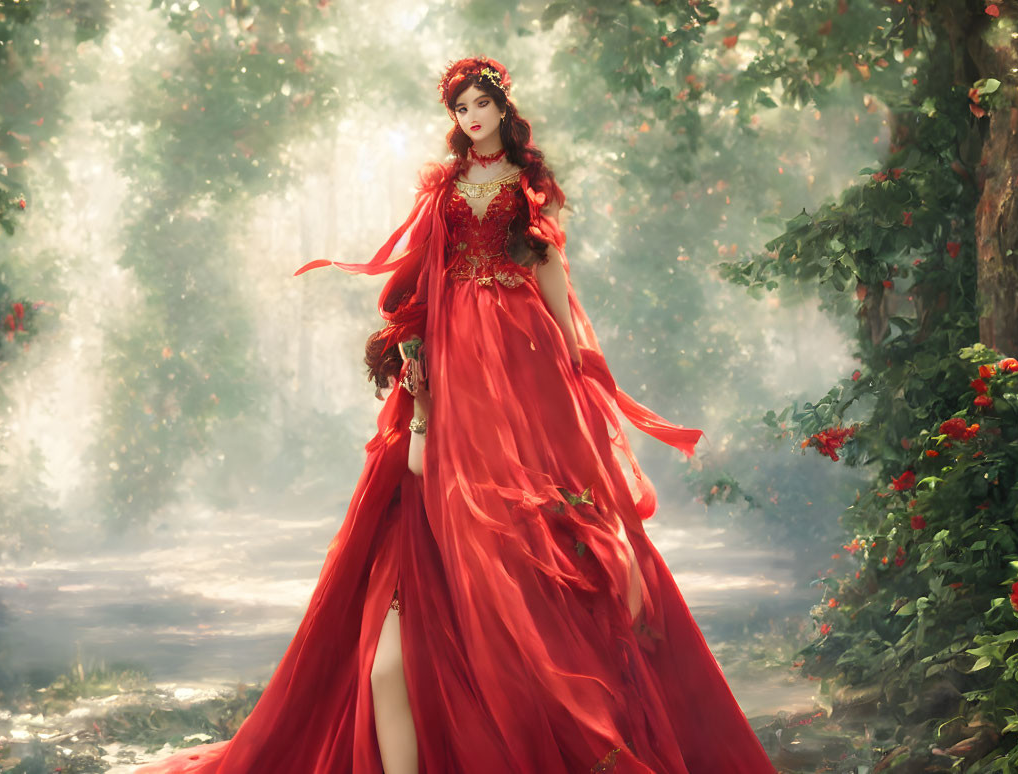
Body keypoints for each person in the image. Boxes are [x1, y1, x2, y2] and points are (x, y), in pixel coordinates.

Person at [134, 56, 778, 774]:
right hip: (455, 339)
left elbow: (548, 269)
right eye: (461, 107)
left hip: (521, 338)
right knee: (441, 474)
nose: (471, 117)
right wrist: (416, 353)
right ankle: (474, 619)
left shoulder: (528, 186)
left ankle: (548, 646)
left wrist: (572, 356)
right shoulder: (443, 188)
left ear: (502, 110)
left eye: (481, 105)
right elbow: (424, 269)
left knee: (541, 481)